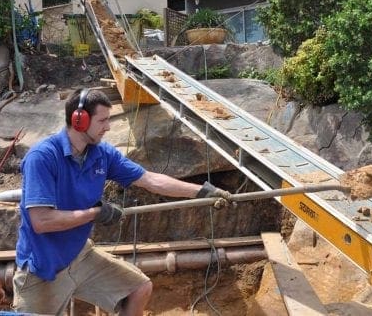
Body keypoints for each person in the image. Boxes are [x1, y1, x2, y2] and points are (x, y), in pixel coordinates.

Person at [13, 88, 232, 316]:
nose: (108, 126)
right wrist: (94, 213)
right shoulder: (43, 157)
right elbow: (42, 221)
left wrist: (203, 192)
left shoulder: (101, 154)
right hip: (43, 268)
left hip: (78, 256)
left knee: (139, 288)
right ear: (79, 120)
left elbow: (150, 180)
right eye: (103, 120)